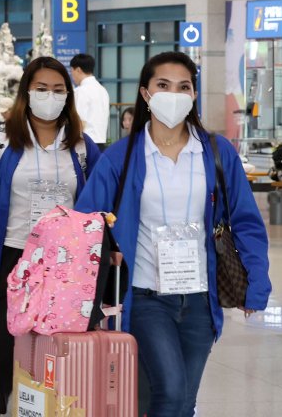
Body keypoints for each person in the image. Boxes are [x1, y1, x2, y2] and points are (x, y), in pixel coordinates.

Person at [74, 51, 271, 417]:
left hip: (199, 298)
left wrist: (256, 282)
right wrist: (109, 241)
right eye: (163, 85)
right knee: (170, 391)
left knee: (185, 401)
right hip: (148, 296)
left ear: (194, 94)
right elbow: (83, 222)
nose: (174, 94)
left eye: (184, 87)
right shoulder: (121, 157)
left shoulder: (215, 153)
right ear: (146, 94)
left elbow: (245, 221)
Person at [0, 57, 101, 416]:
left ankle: (51, 408)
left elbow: (97, 205)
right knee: (0, 344)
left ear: (69, 95)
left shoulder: (81, 146)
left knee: (57, 343)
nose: (50, 96)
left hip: (65, 264)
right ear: (26, 93)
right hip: (10, 256)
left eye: (59, 90)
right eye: (42, 89)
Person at [70, 54, 110, 150]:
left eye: (72, 71)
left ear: (78, 70)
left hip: (85, 144)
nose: (72, 75)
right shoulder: (103, 90)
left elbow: (79, 122)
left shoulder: (81, 91)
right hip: (100, 143)